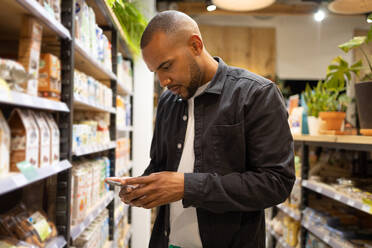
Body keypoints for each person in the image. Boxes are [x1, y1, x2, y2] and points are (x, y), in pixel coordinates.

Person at [117, 10, 295, 248]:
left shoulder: (255, 94)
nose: (163, 81)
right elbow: (161, 165)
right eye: (156, 72)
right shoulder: (168, 102)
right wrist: (142, 186)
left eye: (167, 66)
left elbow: (276, 183)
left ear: (195, 45)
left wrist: (187, 186)